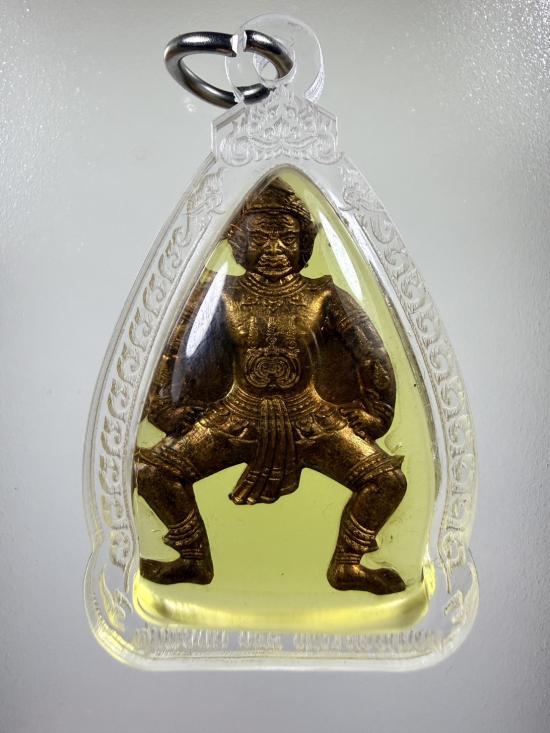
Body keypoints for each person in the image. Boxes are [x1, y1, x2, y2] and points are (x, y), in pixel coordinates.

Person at [134, 178, 406, 594]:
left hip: (311, 418)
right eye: (260, 238)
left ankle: (349, 564)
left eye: (287, 239)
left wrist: (375, 414)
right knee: (153, 474)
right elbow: (173, 353)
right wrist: (165, 411)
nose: (275, 250)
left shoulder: (323, 295)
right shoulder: (222, 294)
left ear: (304, 245)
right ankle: (193, 559)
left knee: (387, 481)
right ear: (239, 243)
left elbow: (372, 357)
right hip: (236, 416)